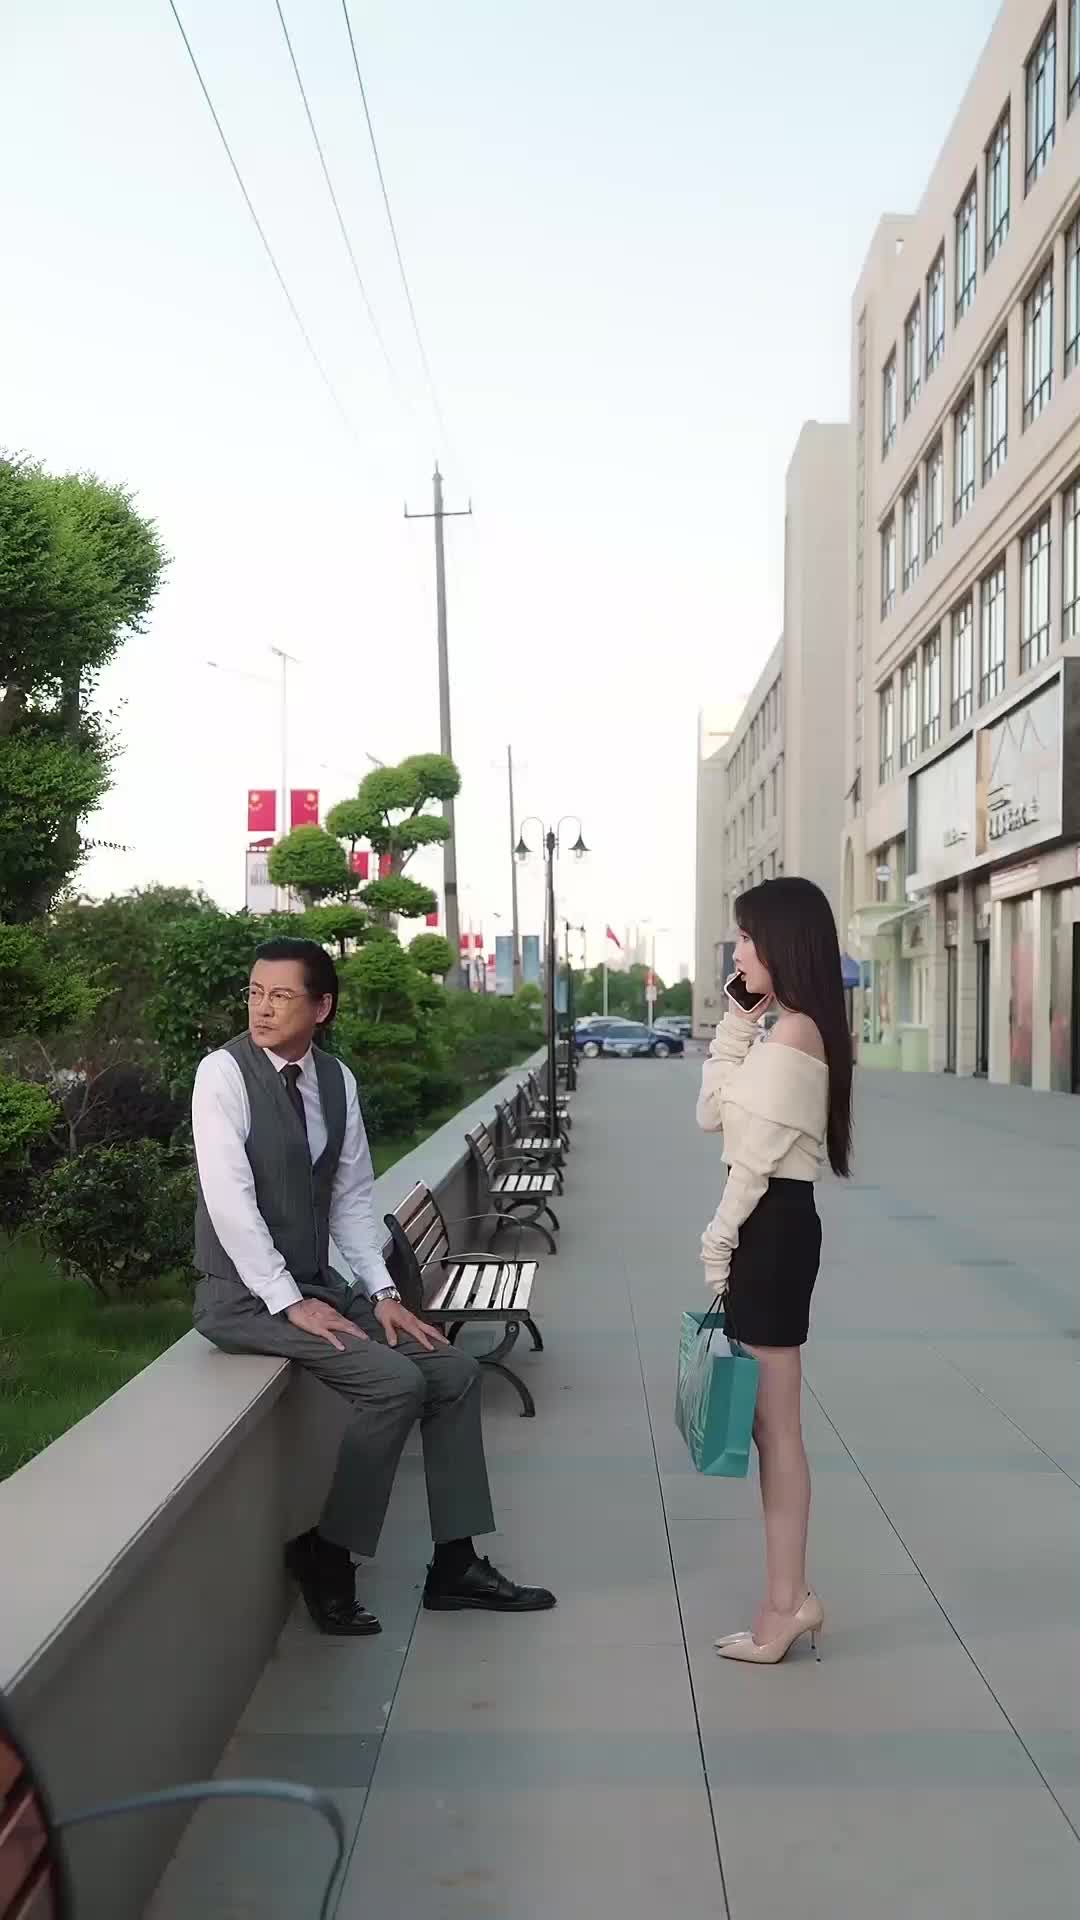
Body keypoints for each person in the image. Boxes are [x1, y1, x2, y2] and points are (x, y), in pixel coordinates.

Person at [191, 936, 556, 1636]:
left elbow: (353, 1200)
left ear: (321, 1007)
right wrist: (288, 1300)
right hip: (243, 1297)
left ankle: (456, 1565)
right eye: (255, 993)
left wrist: (384, 1294)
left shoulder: (336, 1081)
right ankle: (328, 1557)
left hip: (315, 1286)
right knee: (394, 1383)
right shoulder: (223, 1075)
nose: (261, 1008)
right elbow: (229, 1202)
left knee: (452, 1370)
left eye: (280, 995)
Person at [696, 878, 852, 1665]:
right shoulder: (780, 1029)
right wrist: (735, 1021)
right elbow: (711, 1114)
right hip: (768, 1224)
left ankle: (788, 1604)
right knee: (767, 1426)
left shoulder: (796, 1036)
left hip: (772, 1227)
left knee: (778, 1429)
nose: (739, 951)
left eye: (749, 938)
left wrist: (717, 1242)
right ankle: (787, 1599)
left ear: (783, 942)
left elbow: (753, 1163)